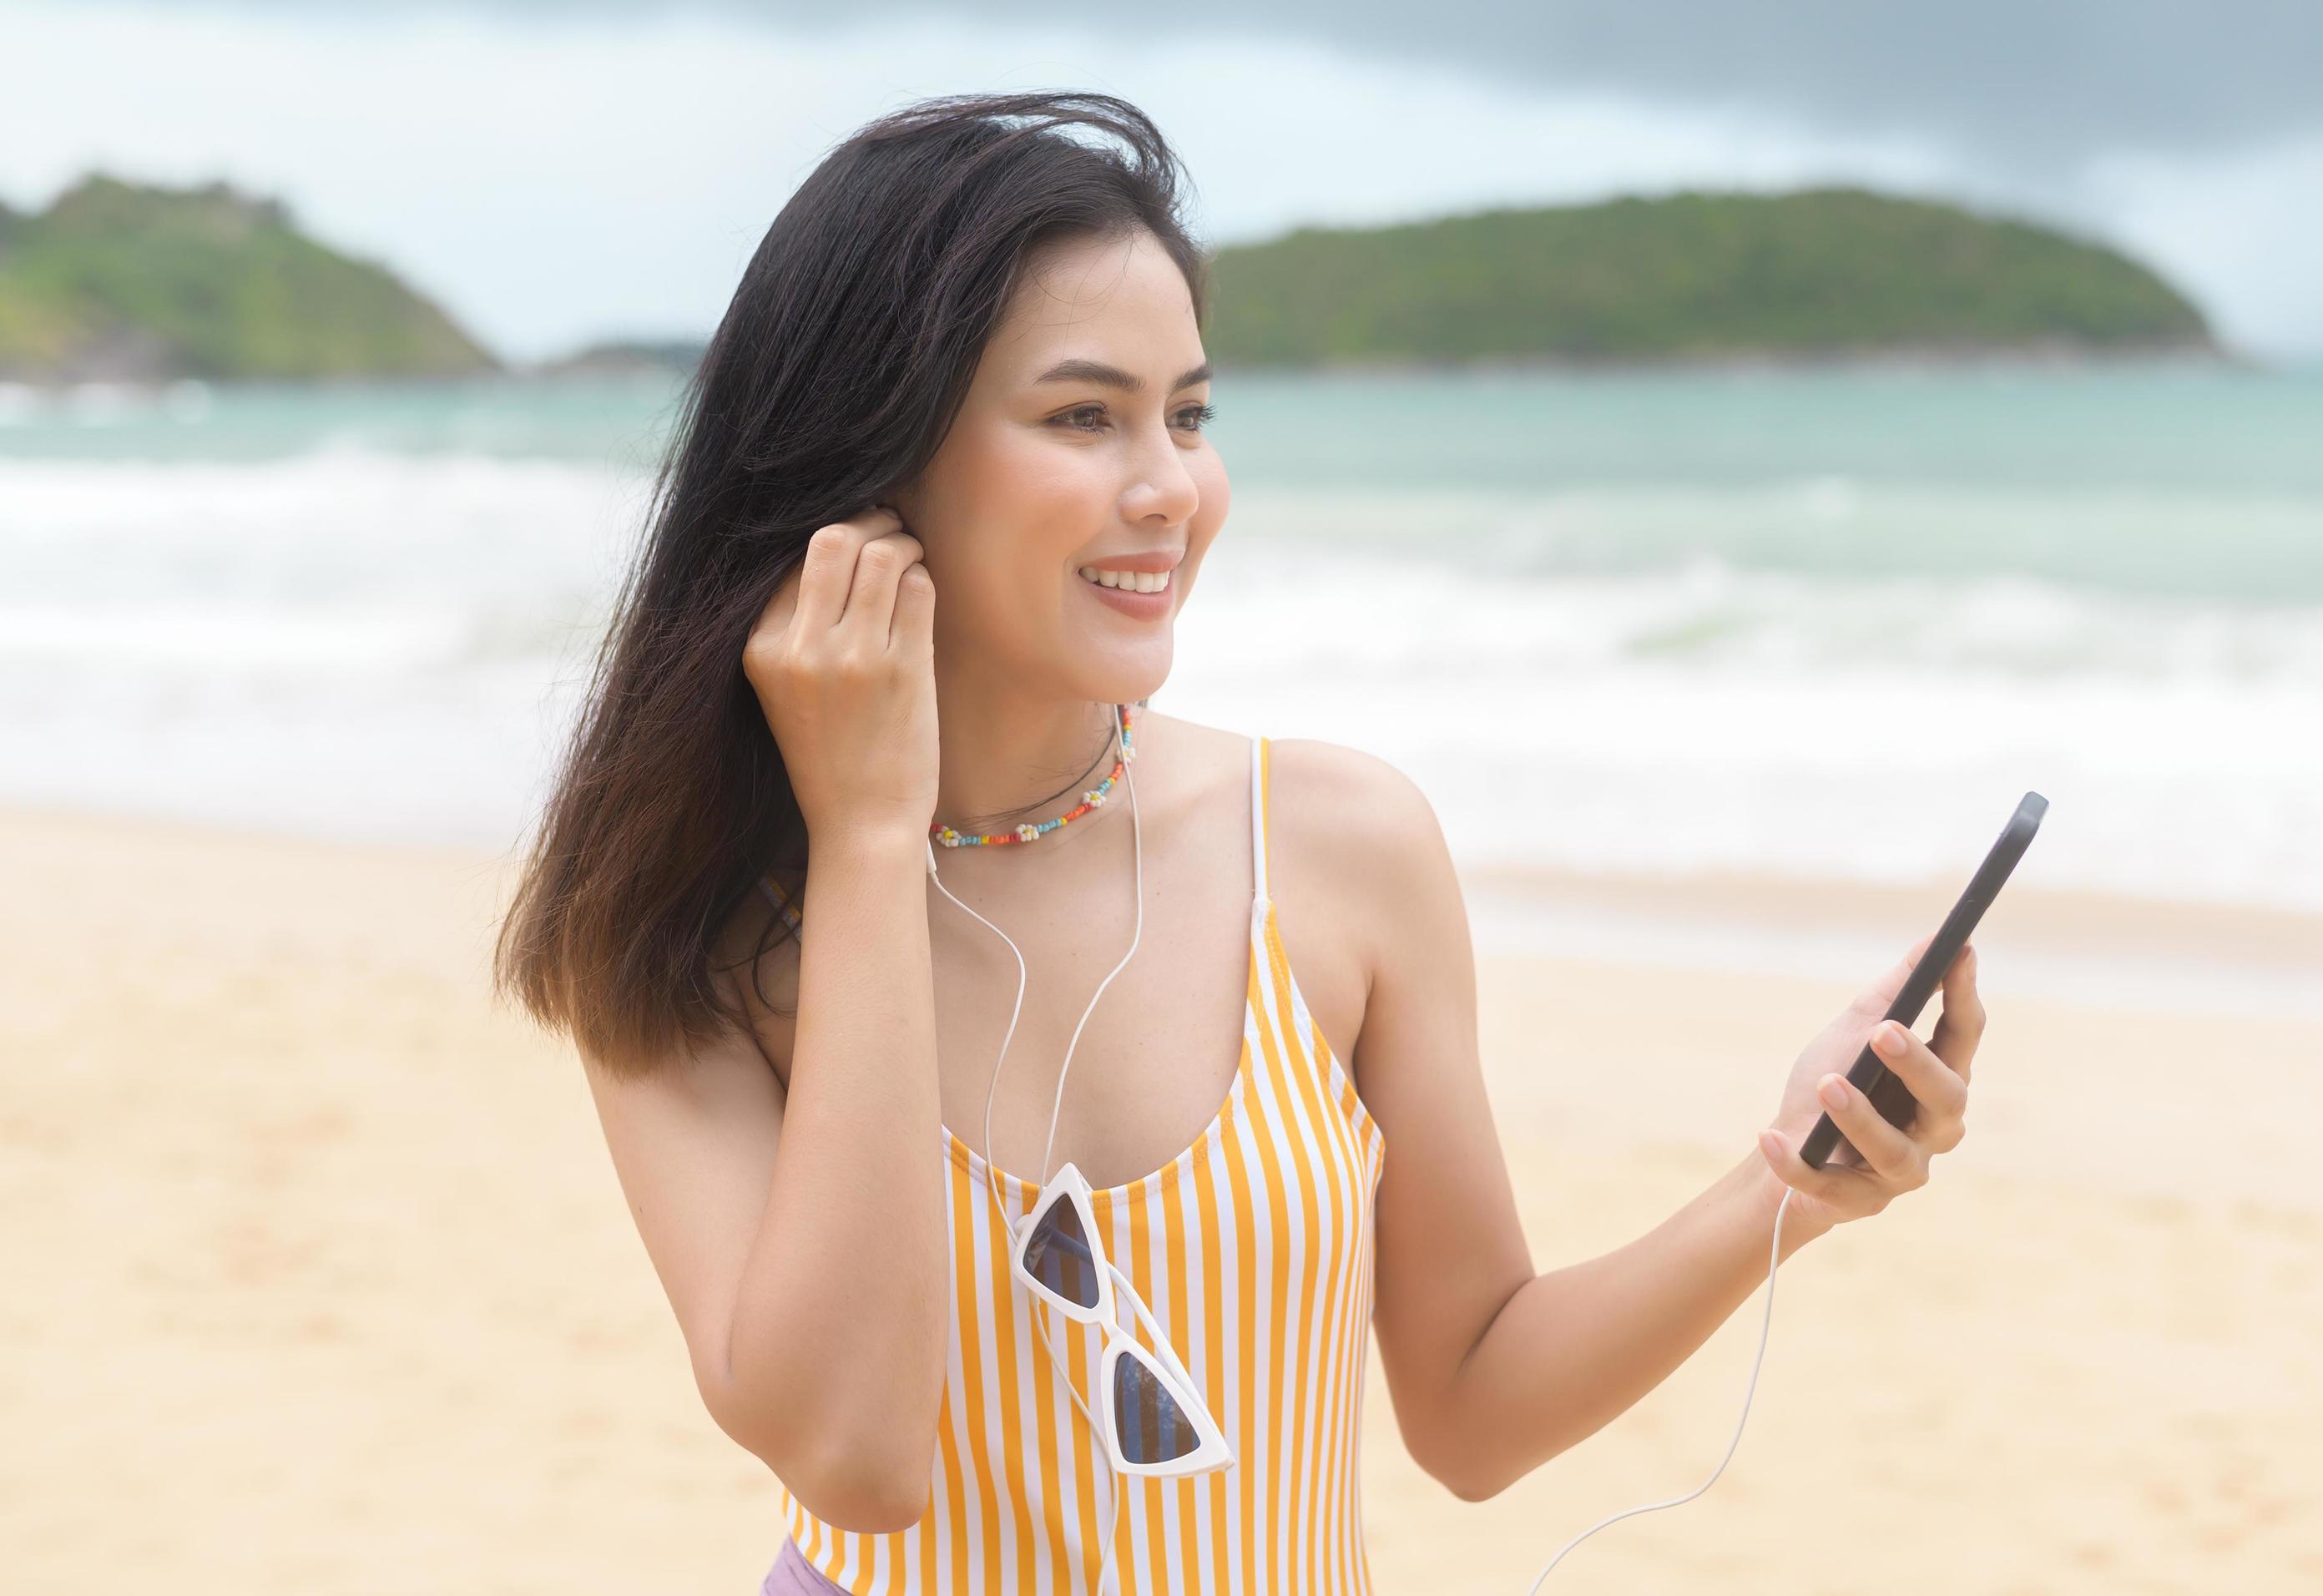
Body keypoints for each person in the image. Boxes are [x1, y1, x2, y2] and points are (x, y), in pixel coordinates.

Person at [492, 89, 1987, 1596]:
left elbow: (1471, 1405)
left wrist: (1788, 1185)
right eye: (1084, 417)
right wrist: (869, 837)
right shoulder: (681, 925)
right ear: (872, 469)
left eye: (1188, 415)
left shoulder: (1336, 850)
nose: (1171, 492)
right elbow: (860, 1459)